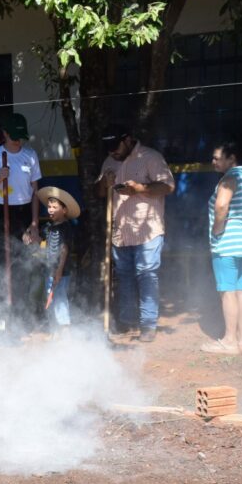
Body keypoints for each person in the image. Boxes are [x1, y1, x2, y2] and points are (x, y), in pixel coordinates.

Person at [97, 125, 174, 342]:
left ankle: (148, 325)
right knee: (124, 276)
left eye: (115, 146)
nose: (112, 151)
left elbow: (168, 187)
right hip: (121, 231)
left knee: (147, 274)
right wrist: (105, 183)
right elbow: (101, 192)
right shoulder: (109, 161)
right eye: (108, 148)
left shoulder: (151, 157)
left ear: (128, 139)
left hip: (148, 229)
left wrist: (140, 189)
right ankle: (127, 322)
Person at [0, 113, 42, 309]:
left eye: (21, 136)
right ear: (5, 133)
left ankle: (19, 314)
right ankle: (0, 313)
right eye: (14, 136)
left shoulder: (30, 156)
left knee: (22, 266)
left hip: (23, 215)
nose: (18, 140)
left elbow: (36, 193)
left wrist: (34, 224)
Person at [202, 141, 242, 355]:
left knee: (227, 292)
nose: (213, 162)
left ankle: (229, 341)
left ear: (232, 158)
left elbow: (221, 205)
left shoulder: (229, 179)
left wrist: (217, 229)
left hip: (228, 244)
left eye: (217, 158)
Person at [37, 186, 80, 335]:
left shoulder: (66, 227)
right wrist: (29, 235)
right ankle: (55, 329)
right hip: (49, 271)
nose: (50, 210)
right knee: (51, 298)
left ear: (64, 210)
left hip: (62, 271)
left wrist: (59, 270)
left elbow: (64, 249)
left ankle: (65, 329)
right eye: (49, 207)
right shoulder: (48, 227)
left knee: (60, 298)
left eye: (54, 207)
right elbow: (39, 240)